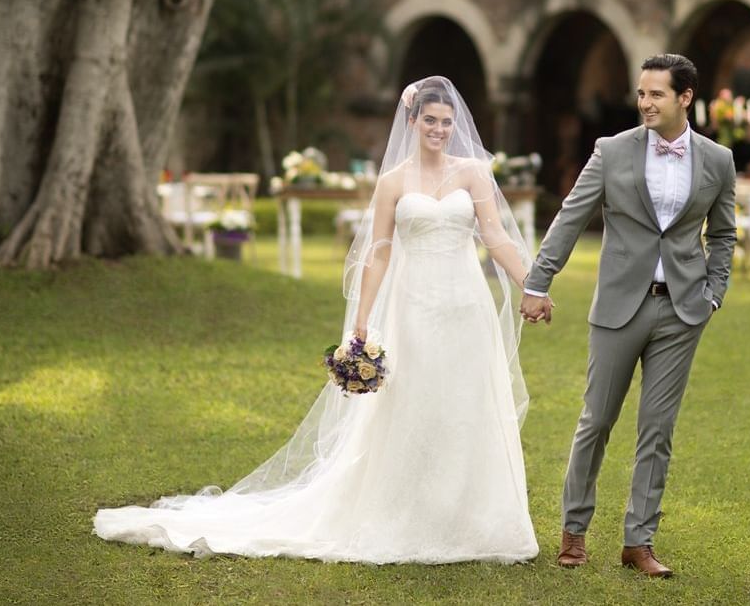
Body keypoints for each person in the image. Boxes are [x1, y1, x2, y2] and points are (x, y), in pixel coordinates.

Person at [93, 77, 543, 564]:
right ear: (412, 122)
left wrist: (530, 285)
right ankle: (410, 514)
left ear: (455, 126)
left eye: (446, 123)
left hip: (465, 306)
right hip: (413, 307)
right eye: (429, 121)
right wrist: (363, 321)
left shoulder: (474, 172)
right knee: (415, 404)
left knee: (464, 403)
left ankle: (468, 518)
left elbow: (496, 238)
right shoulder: (393, 182)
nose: (438, 129)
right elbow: (378, 252)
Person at [520, 53, 737, 578]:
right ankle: (574, 533)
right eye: (641, 93)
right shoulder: (611, 151)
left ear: (685, 98)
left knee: (657, 430)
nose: (645, 102)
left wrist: (712, 294)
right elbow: (571, 216)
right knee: (596, 421)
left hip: (682, 311)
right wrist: (537, 281)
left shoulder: (717, 160)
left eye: (656, 94)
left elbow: (724, 233)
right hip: (618, 306)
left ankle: (639, 541)